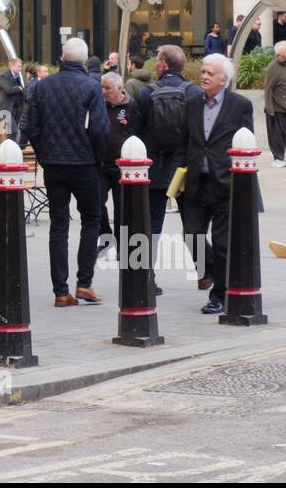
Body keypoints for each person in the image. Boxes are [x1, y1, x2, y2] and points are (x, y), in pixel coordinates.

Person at [26, 38, 110, 307]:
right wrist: (97, 159)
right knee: (91, 220)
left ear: (62, 58)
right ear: (85, 61)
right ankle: (84, 283)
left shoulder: (42, 86)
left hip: (53, 165)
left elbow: (31, 125)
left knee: (58, 225)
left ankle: (61, 291)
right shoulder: (91, 86)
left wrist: (43, 154)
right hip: (84, 164)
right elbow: (100, 128)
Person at [180, 54, 255, 316]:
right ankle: (209, 270)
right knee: (191, 235)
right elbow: (184, 141)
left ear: (224, 80)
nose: (204, 76)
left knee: (223, 243)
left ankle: (218, 295)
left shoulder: (240, 105)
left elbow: (247, 142)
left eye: (210, 73)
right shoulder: (190, 104)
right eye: (202, 71)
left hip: (225, 183)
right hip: (195, 183)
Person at [135, 45, 202, 254]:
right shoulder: (194, 92)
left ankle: (149, 278)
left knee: (152, 226)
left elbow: (135, 133)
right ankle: (204, 273)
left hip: (155, 168)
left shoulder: (146, 93)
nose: (155, 64)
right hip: (185, 169)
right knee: (192, 226)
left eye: (157, 60)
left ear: (163, 64)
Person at [98, 71, 143, 263]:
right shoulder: (100, 106)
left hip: (122, 168)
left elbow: (138, 133)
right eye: (102, 87)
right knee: (95, 201)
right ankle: (105, 235)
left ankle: (121, 246)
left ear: (119, 88)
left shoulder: (132, 107)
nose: (104, 92)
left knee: (121, 209)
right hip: (101, 165)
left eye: (107, 88)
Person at [263, 40, 286, 168]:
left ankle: (279, 153)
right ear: (280, 53)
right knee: (278, 133)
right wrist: (269, 107)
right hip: (278, 107)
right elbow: (268, 88)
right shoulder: (272, 68)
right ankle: (278, 158)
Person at [17, 64, 49, 147]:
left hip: (39, 120)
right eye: (45, 71)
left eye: (47, 71)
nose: (47, 73)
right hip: (29, 119)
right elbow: (28, 98)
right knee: (23, 144)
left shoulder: (48, 83)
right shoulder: (33, 84)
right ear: (38, 73)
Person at [0, 57, 26, 141]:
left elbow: (24, 90)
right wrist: (19, 88)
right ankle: (10, 151)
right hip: (6, 110)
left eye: (21, 66)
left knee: (12, 132)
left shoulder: (19, 77)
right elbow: (8, 90)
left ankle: (10, 150)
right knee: (13, 131)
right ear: (11, 66)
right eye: (18, 66)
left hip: (16, 109)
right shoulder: (4, 76)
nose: (20, 69)